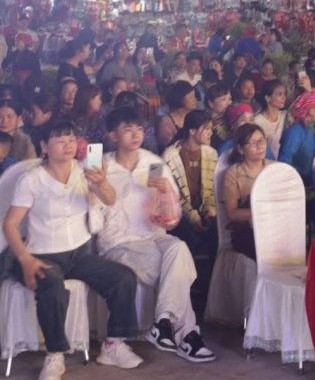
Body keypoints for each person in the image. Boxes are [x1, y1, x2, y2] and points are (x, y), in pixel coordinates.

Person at [3, 120, 141, 377]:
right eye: (59, 140)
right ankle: (55, 354)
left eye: (71, 139)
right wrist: (25, 259)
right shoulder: (32, 179)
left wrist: (101, 182)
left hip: (79, 255)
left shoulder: (84, 170)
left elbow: (110, 199)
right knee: (53, 285)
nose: (67, 145)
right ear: (44, 146)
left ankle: (113, 345)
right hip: (42, 256)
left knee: (123, 278)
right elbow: (10, 224)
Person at [95, 107, 215, 363]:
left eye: (139, 129)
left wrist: (166, 193)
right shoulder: (100, 165)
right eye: (127, 129)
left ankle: (162, 322)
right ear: (113, 135)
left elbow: (169, 219)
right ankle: (187, 334)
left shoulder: (152, 163)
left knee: (179, 249)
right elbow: (91, 212)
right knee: (177, 268)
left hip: (154, 236)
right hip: (119, 241)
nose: (135, 135)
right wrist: (99, 185)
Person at [162, 111, 218, 288]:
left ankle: (212, 284)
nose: (210, 133)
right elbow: (173, 195)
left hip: (204, 208)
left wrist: (209, 211)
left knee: (216, 231)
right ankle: (187, 285)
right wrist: (193, 216)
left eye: (211, 129)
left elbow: (212, 189)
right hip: (179, 213)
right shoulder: (169, 156)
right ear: (192, 131)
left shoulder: (211, 153)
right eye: (206, 129)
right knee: (185, 235)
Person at [222, 124, 275, 260]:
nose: (260, 146)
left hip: (274, 226)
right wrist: (262, 213)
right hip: (246, 231)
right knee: (265, 249)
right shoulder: (234, 173)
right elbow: (232, 213)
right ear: (241, 149)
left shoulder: (274, 168)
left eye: (261, 140)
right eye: (253, 142)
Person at [279, 91, 315, 185]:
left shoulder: (310, 129)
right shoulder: (295, 132)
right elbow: (284, 162)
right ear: (311, 111)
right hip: (295, 185)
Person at [156, 81, 199, 152]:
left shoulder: (195, 115)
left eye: (194, 96)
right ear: (180, 100)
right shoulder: (166, 123)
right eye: (191, 97)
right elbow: (167, 150)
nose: (195, 100)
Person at [252, 80, 287, 158]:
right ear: (268, 98)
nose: (283, 97)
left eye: (284, 94)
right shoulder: (258, 121)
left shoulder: (285, 115)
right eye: (279, 94)